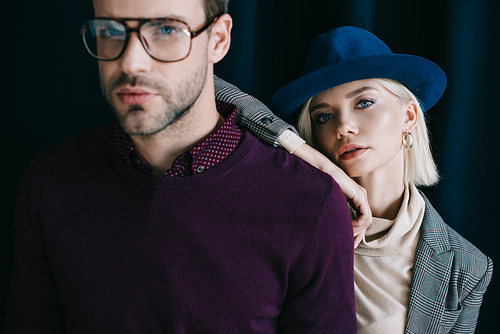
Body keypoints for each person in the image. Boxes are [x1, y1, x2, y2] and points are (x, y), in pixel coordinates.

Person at [2, 1, 358, 332]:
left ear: (217, 40)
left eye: (166, 30)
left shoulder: (309, 204)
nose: (131, 63)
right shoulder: (50, 183)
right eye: (111, 31)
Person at [217, 26, 493, 333]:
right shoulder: (291, 213)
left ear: (409, 116)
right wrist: (308, 155)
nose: (344, 127)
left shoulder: (466, 266)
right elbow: (208, 90)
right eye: (324, 116)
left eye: (363, 103)